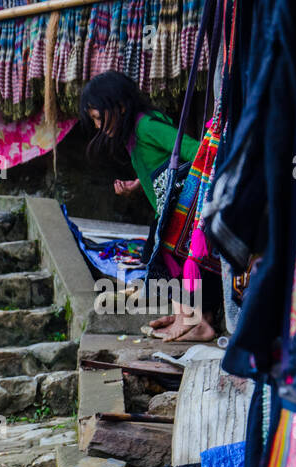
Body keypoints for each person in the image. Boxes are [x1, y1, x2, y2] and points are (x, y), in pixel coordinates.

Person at [79, 70, 219, 341]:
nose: (98, 126)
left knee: (171, 261)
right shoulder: (134, 133)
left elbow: (195, 152)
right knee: (168, 263)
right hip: (167, 212)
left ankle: (196, 322)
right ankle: (194, 318)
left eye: (98, 118)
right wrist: (136, 184)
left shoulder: (146, 127)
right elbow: (160, 163)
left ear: (119, 106)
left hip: (179, 214)